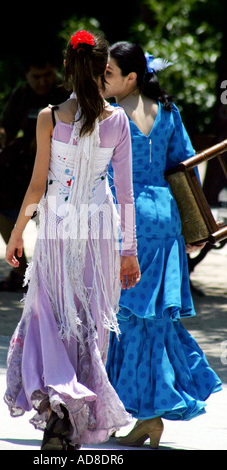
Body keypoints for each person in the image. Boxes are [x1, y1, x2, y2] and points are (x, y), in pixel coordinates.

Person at [3, 31, 141, 450]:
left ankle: (60, 415)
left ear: (67, 67)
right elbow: (126, 191)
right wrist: (129, 251)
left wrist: (16, 233)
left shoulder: (48, 117)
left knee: (52, 316)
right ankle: (73, 417)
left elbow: (36, 188)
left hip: (59, 228)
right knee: (90, 324)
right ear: (104, 71)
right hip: (100, 231)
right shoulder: (118, 120)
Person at [104, 42, 222, 449]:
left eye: (108, 73)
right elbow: (185, 166)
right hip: (166, 219)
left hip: (127, 219)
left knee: (128, 320)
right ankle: (143, 414)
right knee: (152, 321)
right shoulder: (169, 112)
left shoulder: (113, 115)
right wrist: (197, 230)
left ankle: (147, 414)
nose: (102, 80)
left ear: (131, 76)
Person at [0, 50, 69, 292]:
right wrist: (1, 137)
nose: (42, 81)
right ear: (26, 75)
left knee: (51, 224)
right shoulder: (21, 94)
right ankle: (21, 273)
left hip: (59, 176)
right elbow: (6, 125)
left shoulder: (65, 93)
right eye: (36, 77)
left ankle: (53, 278)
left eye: (47, 75)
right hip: (24, 173)